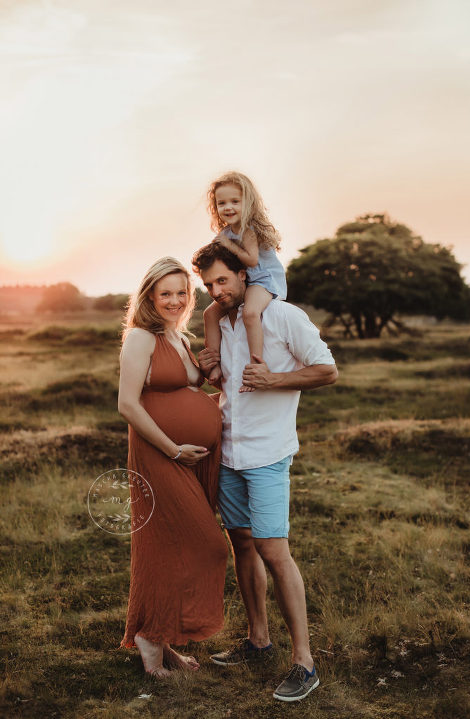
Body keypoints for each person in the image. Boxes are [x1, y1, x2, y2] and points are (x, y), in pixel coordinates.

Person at [191, 243, 338, 702]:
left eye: (223, 281)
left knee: (275, 552)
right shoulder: (224, 321)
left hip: (269, 454)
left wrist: (276, 379)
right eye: (209, 285)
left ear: (244, 274)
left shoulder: (283, 316)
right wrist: (208, 369)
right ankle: (258, 641)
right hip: (229, 452)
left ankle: (304, 662)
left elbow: (327, 371)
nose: (216, 291)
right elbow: (227, 387)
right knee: (242, 544)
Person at [118, 257, 228, 678]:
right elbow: (127, 404)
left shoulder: (179, 338)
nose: (175, 300)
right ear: (149, 295)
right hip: (158, 454)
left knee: (172, 547)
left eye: (182, 292)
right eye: (166, 293)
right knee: (205, 545)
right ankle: (148, 638)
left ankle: (163, 643)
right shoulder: (141, 338)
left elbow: (188, 391)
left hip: (187, 456)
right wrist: (171, 448)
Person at [203, 171, 287, 392]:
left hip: (263, 280)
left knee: (250, 313)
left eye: (234, 201)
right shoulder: (226, 233)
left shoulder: (249, 232)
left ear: (247, 202)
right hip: (245, 281)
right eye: (222, 203)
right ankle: (215, 365)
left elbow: (251, 260)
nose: (228, 207)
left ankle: (256, 366)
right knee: (209, 314)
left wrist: (227, 244)